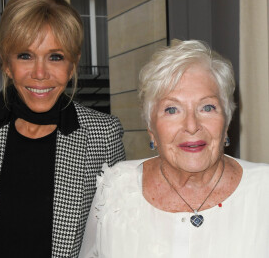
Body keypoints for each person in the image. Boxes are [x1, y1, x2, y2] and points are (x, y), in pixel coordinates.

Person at [0, 0, 125, 258]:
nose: (40, 74)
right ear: (7, 64)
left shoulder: (103, 136)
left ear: (72, 65)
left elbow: (114, 241)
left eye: (55, 57)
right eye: (25, 56)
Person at [79, 40, 269, 258]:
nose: (191, 126)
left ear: (226, 121)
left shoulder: (264, 190)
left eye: (207, 107)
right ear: (151, 128)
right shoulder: (116, 189)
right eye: (172, 110)